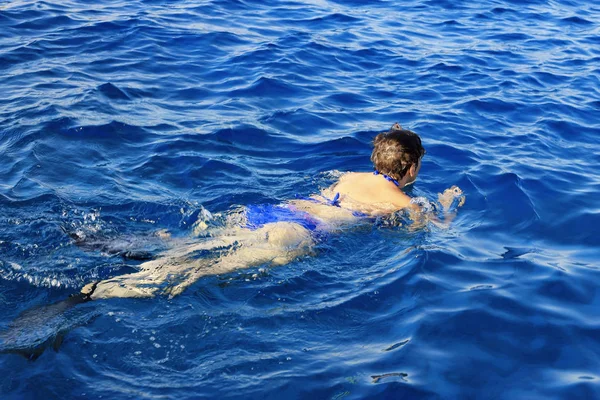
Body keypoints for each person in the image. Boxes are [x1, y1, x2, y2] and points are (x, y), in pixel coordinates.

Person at [79, 123, 464, 301]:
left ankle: (117, 245)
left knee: (193, 247)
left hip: (271, 212)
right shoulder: (403, 200)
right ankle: (95, 294)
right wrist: (446, 205)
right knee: (200, 270)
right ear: (411, 168)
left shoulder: (348, 176)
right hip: (296, 232)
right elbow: (428, 231)